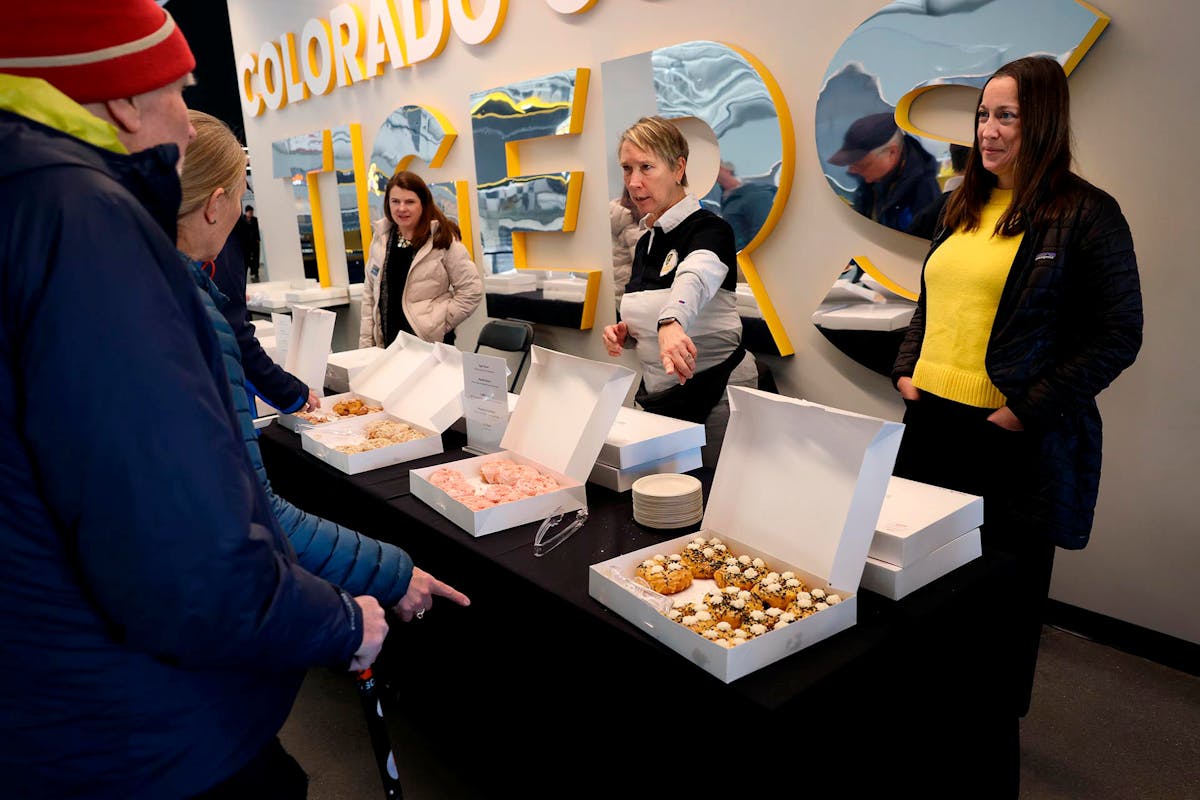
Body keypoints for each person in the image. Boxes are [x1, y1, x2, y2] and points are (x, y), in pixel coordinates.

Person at [0, 4, 386, 797]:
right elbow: (184, 552)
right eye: (179, 89)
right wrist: (343, 620)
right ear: (120, 100)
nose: (187, 122)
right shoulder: (81, 216)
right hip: (137, 731)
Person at [891, 56, 1142, 791]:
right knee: (923, 602)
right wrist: (908, 367)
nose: (990, 130)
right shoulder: (959, 203)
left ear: (1045, 122)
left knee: (995, 628)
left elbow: (1117, 334)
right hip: (929, 427)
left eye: (1008, 116)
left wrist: (1020, 410)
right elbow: (929, 305)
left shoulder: (1087, 213)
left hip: (1011, 443)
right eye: (982, 115)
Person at [178, 109, 469, 634]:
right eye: (243, 198)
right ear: (216, 204)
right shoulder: (189, 314)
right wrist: (388, 576)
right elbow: (254, 511)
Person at [602, 116, 757, 467]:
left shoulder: (710, 229)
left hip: (717, 392)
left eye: (646, 167)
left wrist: (671, 321)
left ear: (678, 167)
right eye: (627, 169)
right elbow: (645, 304)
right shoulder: (646, 241)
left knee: (715, 495)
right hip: (662, 396)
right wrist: (628, 333)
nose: (634, 182)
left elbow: (696, 275)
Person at [360, 170, 483, 348]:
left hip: (428, 346)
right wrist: (366, 347)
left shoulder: (442, 238)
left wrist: (439, 324)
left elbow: (471, 289)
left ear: (423, 204)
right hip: (388, 344)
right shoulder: (381, 238)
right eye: (395, 201)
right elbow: (370, 294)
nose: (401, 208)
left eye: (409, 202)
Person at [828, 111, 941, 234]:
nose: (851, 170)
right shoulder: (871, 180)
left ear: (892, 152)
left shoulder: (925, 195)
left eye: (861, 165)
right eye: (851, 163)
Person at [714, 160, 777, 251]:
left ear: (727, 170)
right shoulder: (722, 201)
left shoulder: (756, 194)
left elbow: (763, 233)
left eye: (717, 167)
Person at [609, 187, 640, 305]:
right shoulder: (630, 218)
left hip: (620, 290)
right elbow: (645, 260)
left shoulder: (619, 211)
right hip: (630, 294)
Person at [236, 204, 261, 281]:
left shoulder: (255, 219)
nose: (251, 213)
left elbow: (257, 230)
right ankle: (248, 272)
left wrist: (258, 239)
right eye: (250, 212)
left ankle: (255, 273)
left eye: (252, 212)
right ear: (246, 212)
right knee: (246, 259)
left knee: (256, 259)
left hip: (254, 242)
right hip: (245, 244)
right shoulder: (241, 220)